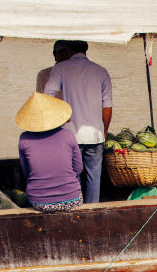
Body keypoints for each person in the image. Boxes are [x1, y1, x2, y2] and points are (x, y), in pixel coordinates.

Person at [43, 40, 112, 204]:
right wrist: (104, 130)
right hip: (95, 134)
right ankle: (92, 210)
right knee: (94, 178)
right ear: (87, 49)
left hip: (70, 134)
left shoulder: (61, 68)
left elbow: (46, 95)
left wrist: (60, 116)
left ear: (70, 49)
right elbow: (107, 106)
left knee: (73, 176)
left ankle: (76, 210)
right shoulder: (101, 71)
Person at [16, 93, 83, 213]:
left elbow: (26, 172)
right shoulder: (68, 135)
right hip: (71, 200)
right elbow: (78, 168)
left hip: (39, 202)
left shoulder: (24, 138)